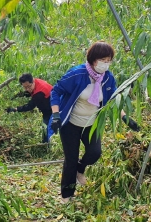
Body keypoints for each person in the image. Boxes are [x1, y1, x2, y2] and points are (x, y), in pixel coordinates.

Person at [49, 41, 139, 202]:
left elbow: (112, 100)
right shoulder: (77, 74)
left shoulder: (108, 78)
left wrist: (125, 117)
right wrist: (56, 115)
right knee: (70, 159)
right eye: (103, 60)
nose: (106, 64)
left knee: (95, 153)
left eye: (109, 60)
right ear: (93, 59)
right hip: (71, 124)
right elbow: (56, 91)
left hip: (91, 124)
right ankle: (67, 195)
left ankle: (80, 169)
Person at [6, 74, 53, 143]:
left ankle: (46, 144)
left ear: (32, 81)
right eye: (25, 87)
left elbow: (30, 106)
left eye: (29, 86)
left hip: (52, 108)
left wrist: (16, 109)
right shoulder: (36, 81)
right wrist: (17, 95)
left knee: (46, 127)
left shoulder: (39, 93)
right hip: (48, 103)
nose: (27, 89)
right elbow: (28, 93)